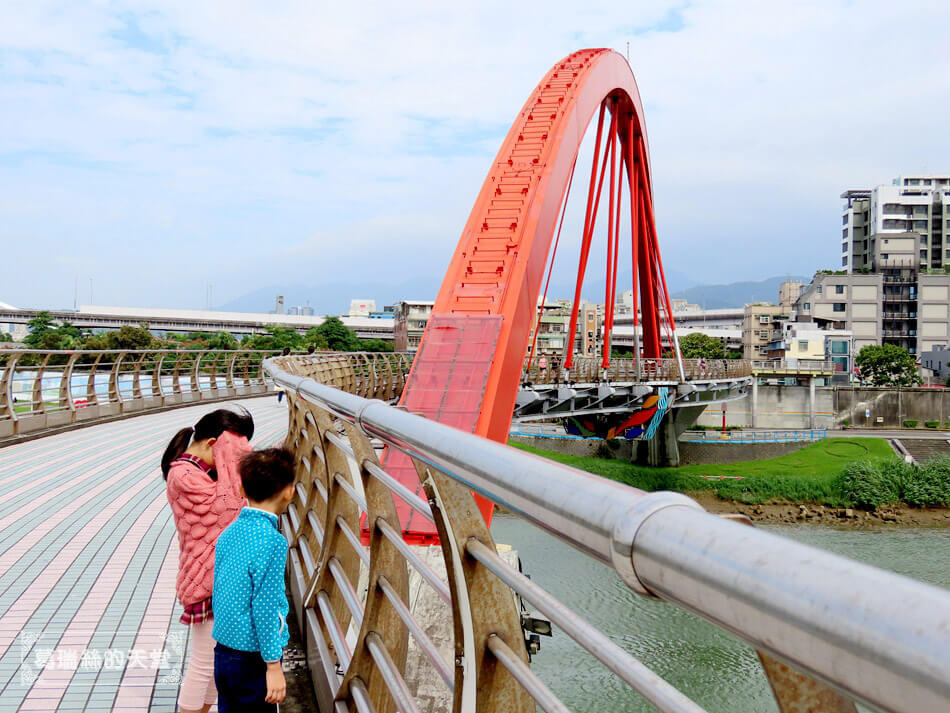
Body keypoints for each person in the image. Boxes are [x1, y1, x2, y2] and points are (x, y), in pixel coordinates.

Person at [162, 408, 255, 713]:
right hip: (205, 581)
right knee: (203, 663)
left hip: (218, 577)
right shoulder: (183, 474)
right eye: (232, 449)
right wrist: (231, 460)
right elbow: (231, 510)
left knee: (215, 663)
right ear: (213, 443)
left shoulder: (202, 472)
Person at [213, 448, 295, 712]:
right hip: (252, 659)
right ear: (288, 491)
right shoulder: (272, 542)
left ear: (241, 491)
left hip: (224, 651)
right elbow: (266, 606)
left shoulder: (230, 532)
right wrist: (273, 665)